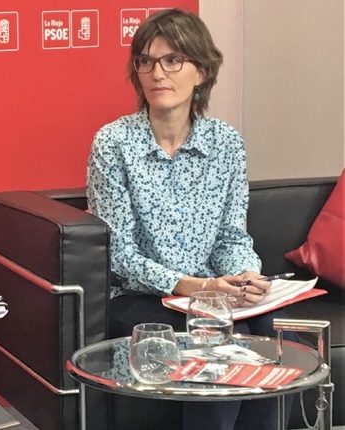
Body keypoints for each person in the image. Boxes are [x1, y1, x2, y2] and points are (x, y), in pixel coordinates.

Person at [86, 9, 292, 430]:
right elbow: (119, 255)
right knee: (211, 339)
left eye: (172, 60)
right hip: (140, 297)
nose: (157, 72)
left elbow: (231, 237)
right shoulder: (114, 143)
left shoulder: (226, 144)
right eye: (146, 61)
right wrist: (196, 288)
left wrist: (245, 276)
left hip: (211, 294)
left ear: (202, 71)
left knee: (268, 333)